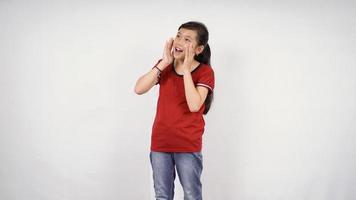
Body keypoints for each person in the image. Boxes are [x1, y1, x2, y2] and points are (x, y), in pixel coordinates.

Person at [134, 21, 215, 200]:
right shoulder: (165, 66)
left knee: (191, 195)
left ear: (199, 49)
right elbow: (139, 89)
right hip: (160, 143)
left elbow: (195, 105)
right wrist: (164, 62)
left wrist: (186, 70)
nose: (179, 41)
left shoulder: (205, 72)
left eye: (187, 39)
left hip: (187, 145)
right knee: (162, 195)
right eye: (178, 36)